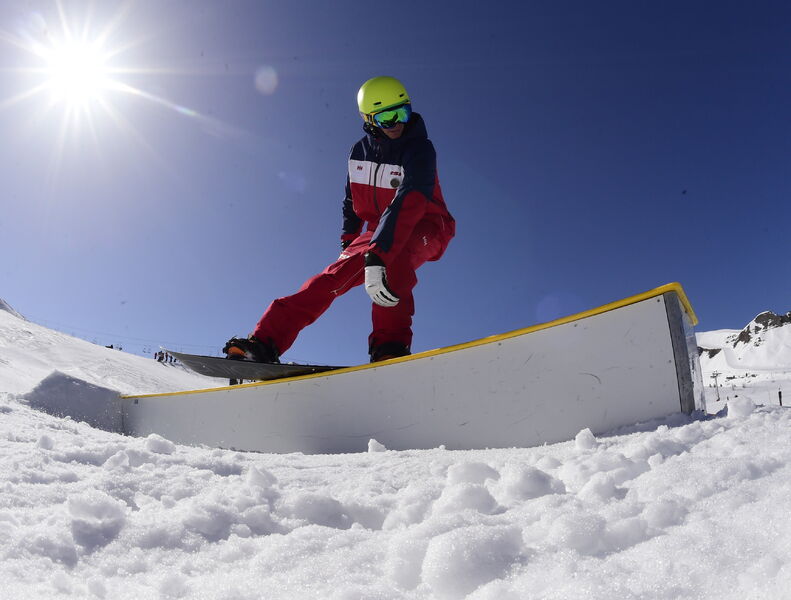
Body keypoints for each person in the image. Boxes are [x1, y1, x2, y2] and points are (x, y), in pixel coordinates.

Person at [224, 76, 455, 363]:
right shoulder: (358, 153)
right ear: (368, 119)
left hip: (427, 223)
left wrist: (378, 254)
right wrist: (349, 241)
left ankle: (390, 349)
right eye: (386, 117)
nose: (397, 123)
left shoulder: (419, 149)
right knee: (331, 278)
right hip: (378, 231)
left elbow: (412, 196)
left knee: (393, 263)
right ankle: (263, 343)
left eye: (402, 112)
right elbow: (350, 201)